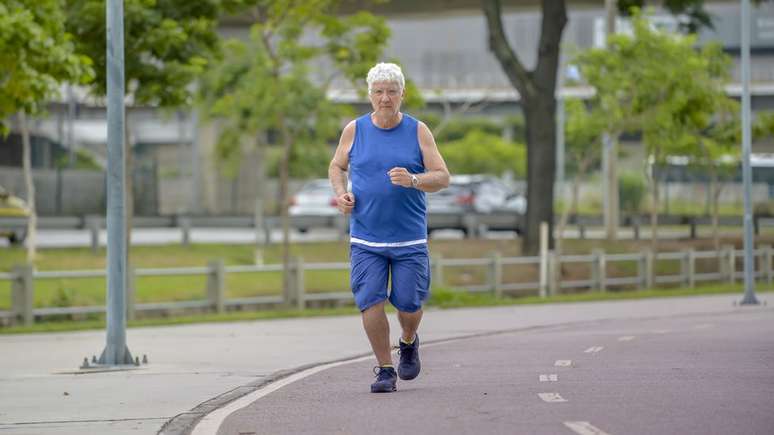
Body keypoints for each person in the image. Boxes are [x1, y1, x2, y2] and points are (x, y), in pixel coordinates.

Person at [328, 62, 450, 393]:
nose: (385, 98)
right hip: (365, 236)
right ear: (370, 95)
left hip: (409, 238)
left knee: (409, 304)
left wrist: (413, 180)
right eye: (379, 92)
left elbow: (442, 176)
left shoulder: (417, 130)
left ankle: (408, 341)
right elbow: (337, 165)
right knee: (370, 300)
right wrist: (342, 194)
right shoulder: (354, 130)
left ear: (402, 95)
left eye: (392, 92)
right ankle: (384, 369)